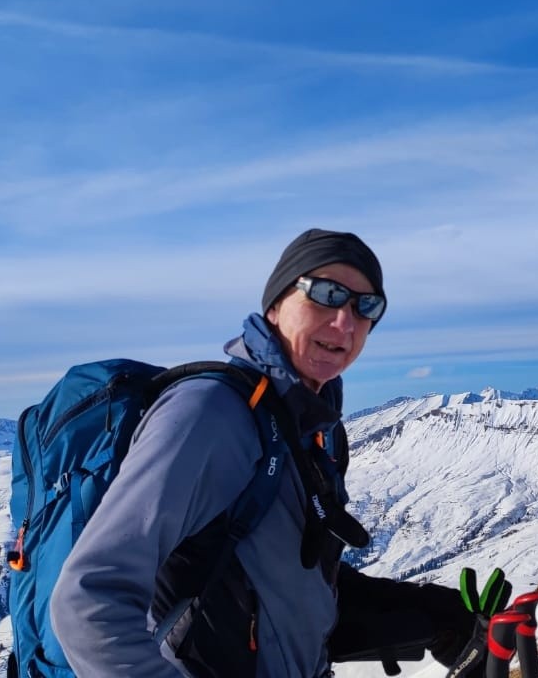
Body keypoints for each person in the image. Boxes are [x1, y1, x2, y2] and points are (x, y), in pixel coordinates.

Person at [50, 229, 485, 677]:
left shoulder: (316, 433)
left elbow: (290, 599)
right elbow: (88, 600)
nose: (345, 322)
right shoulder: (211, 414)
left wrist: (434, 618)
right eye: (326, 294)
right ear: (275, 303)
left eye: (366, 306)